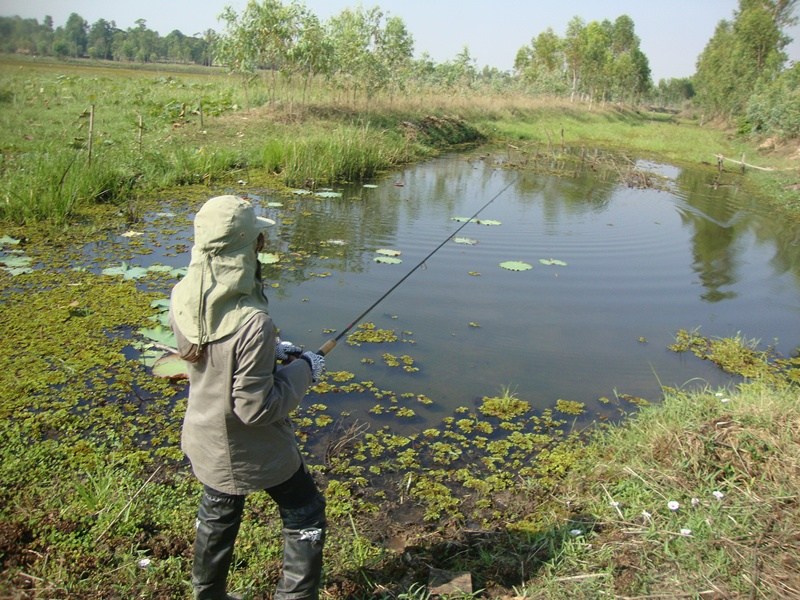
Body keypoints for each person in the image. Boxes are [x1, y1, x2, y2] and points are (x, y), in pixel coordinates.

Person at [169, 195, 327, 600]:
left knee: (218, 515)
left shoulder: (183, 295)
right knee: (305, 510)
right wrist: (304, 368)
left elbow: (214, 356)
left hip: (205, 436)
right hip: (251, 448)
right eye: (258, 236)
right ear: (249, 245)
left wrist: (272, 349)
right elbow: (256, 409)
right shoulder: (254, 323)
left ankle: (208, 595)